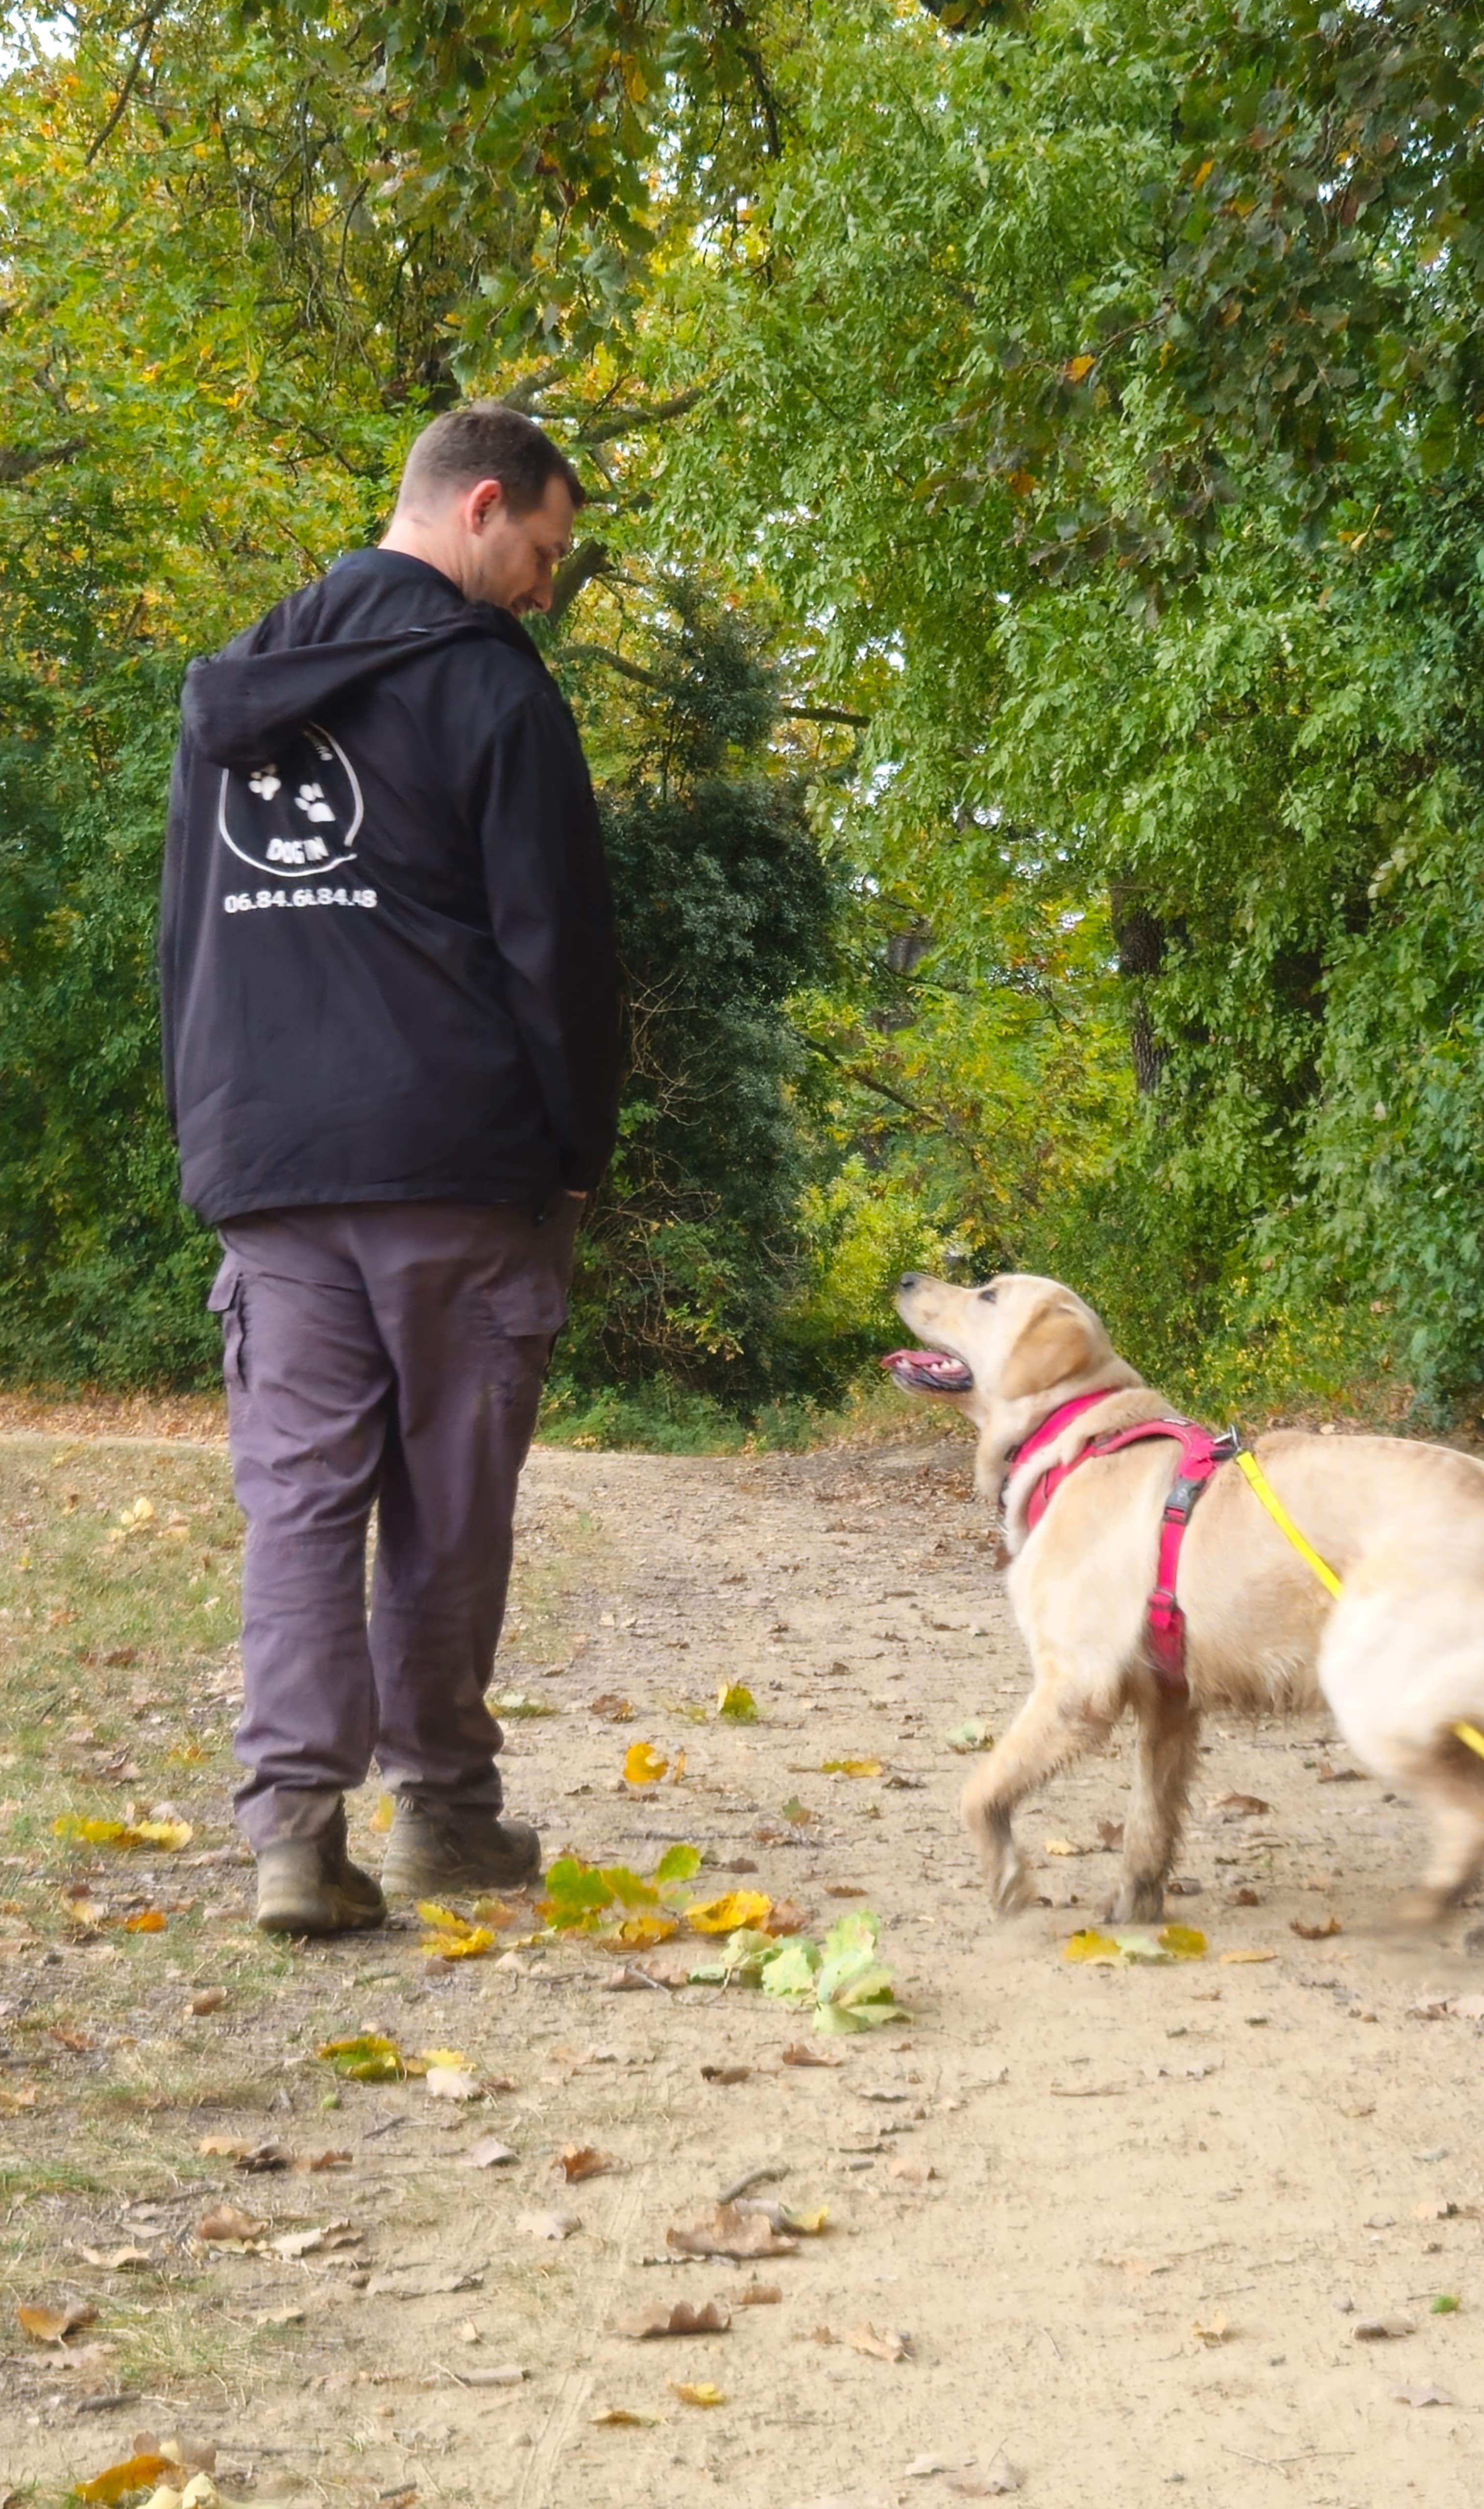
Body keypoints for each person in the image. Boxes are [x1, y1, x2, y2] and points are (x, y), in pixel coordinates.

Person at [158, 403, 621, 1936]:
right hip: (459, 1160)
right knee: (447, 1500)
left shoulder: (238, 689)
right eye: (544, 551)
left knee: (298, 1498)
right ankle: (442, 1819)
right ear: (482, 506)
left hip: (272, 1159)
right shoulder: (494, 693)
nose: (545, 588)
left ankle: (294, 1835)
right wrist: (574, 1156)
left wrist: (212, 1131)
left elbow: (188, 942)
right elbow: (558, 950)